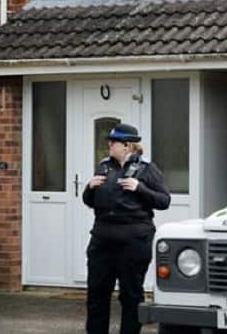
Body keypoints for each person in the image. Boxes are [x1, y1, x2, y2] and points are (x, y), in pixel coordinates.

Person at [83, 123, 171, 334]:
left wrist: (139, 188)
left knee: (130, 295)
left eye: (113, 142)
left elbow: (164, 200)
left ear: (128, 145)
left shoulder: (147, 169)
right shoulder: (104, 166)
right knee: (97, 293)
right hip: (102, 239)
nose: (109, 145)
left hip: (134, 241)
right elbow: (90, 201)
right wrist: (89, 188)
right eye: (109, 141)